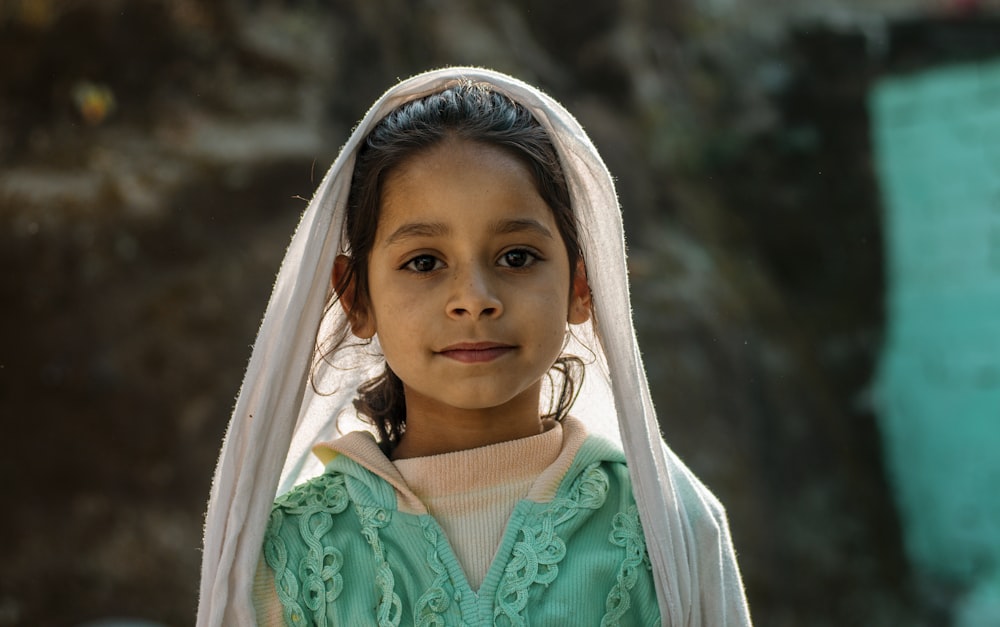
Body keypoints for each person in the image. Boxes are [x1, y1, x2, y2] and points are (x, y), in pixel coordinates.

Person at [197, 67, 752, 626]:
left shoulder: (667, 525)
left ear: (582, 285)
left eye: (516, 257)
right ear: (355, 297)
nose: (474, 300)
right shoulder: (290, 553)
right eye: (424, 263)